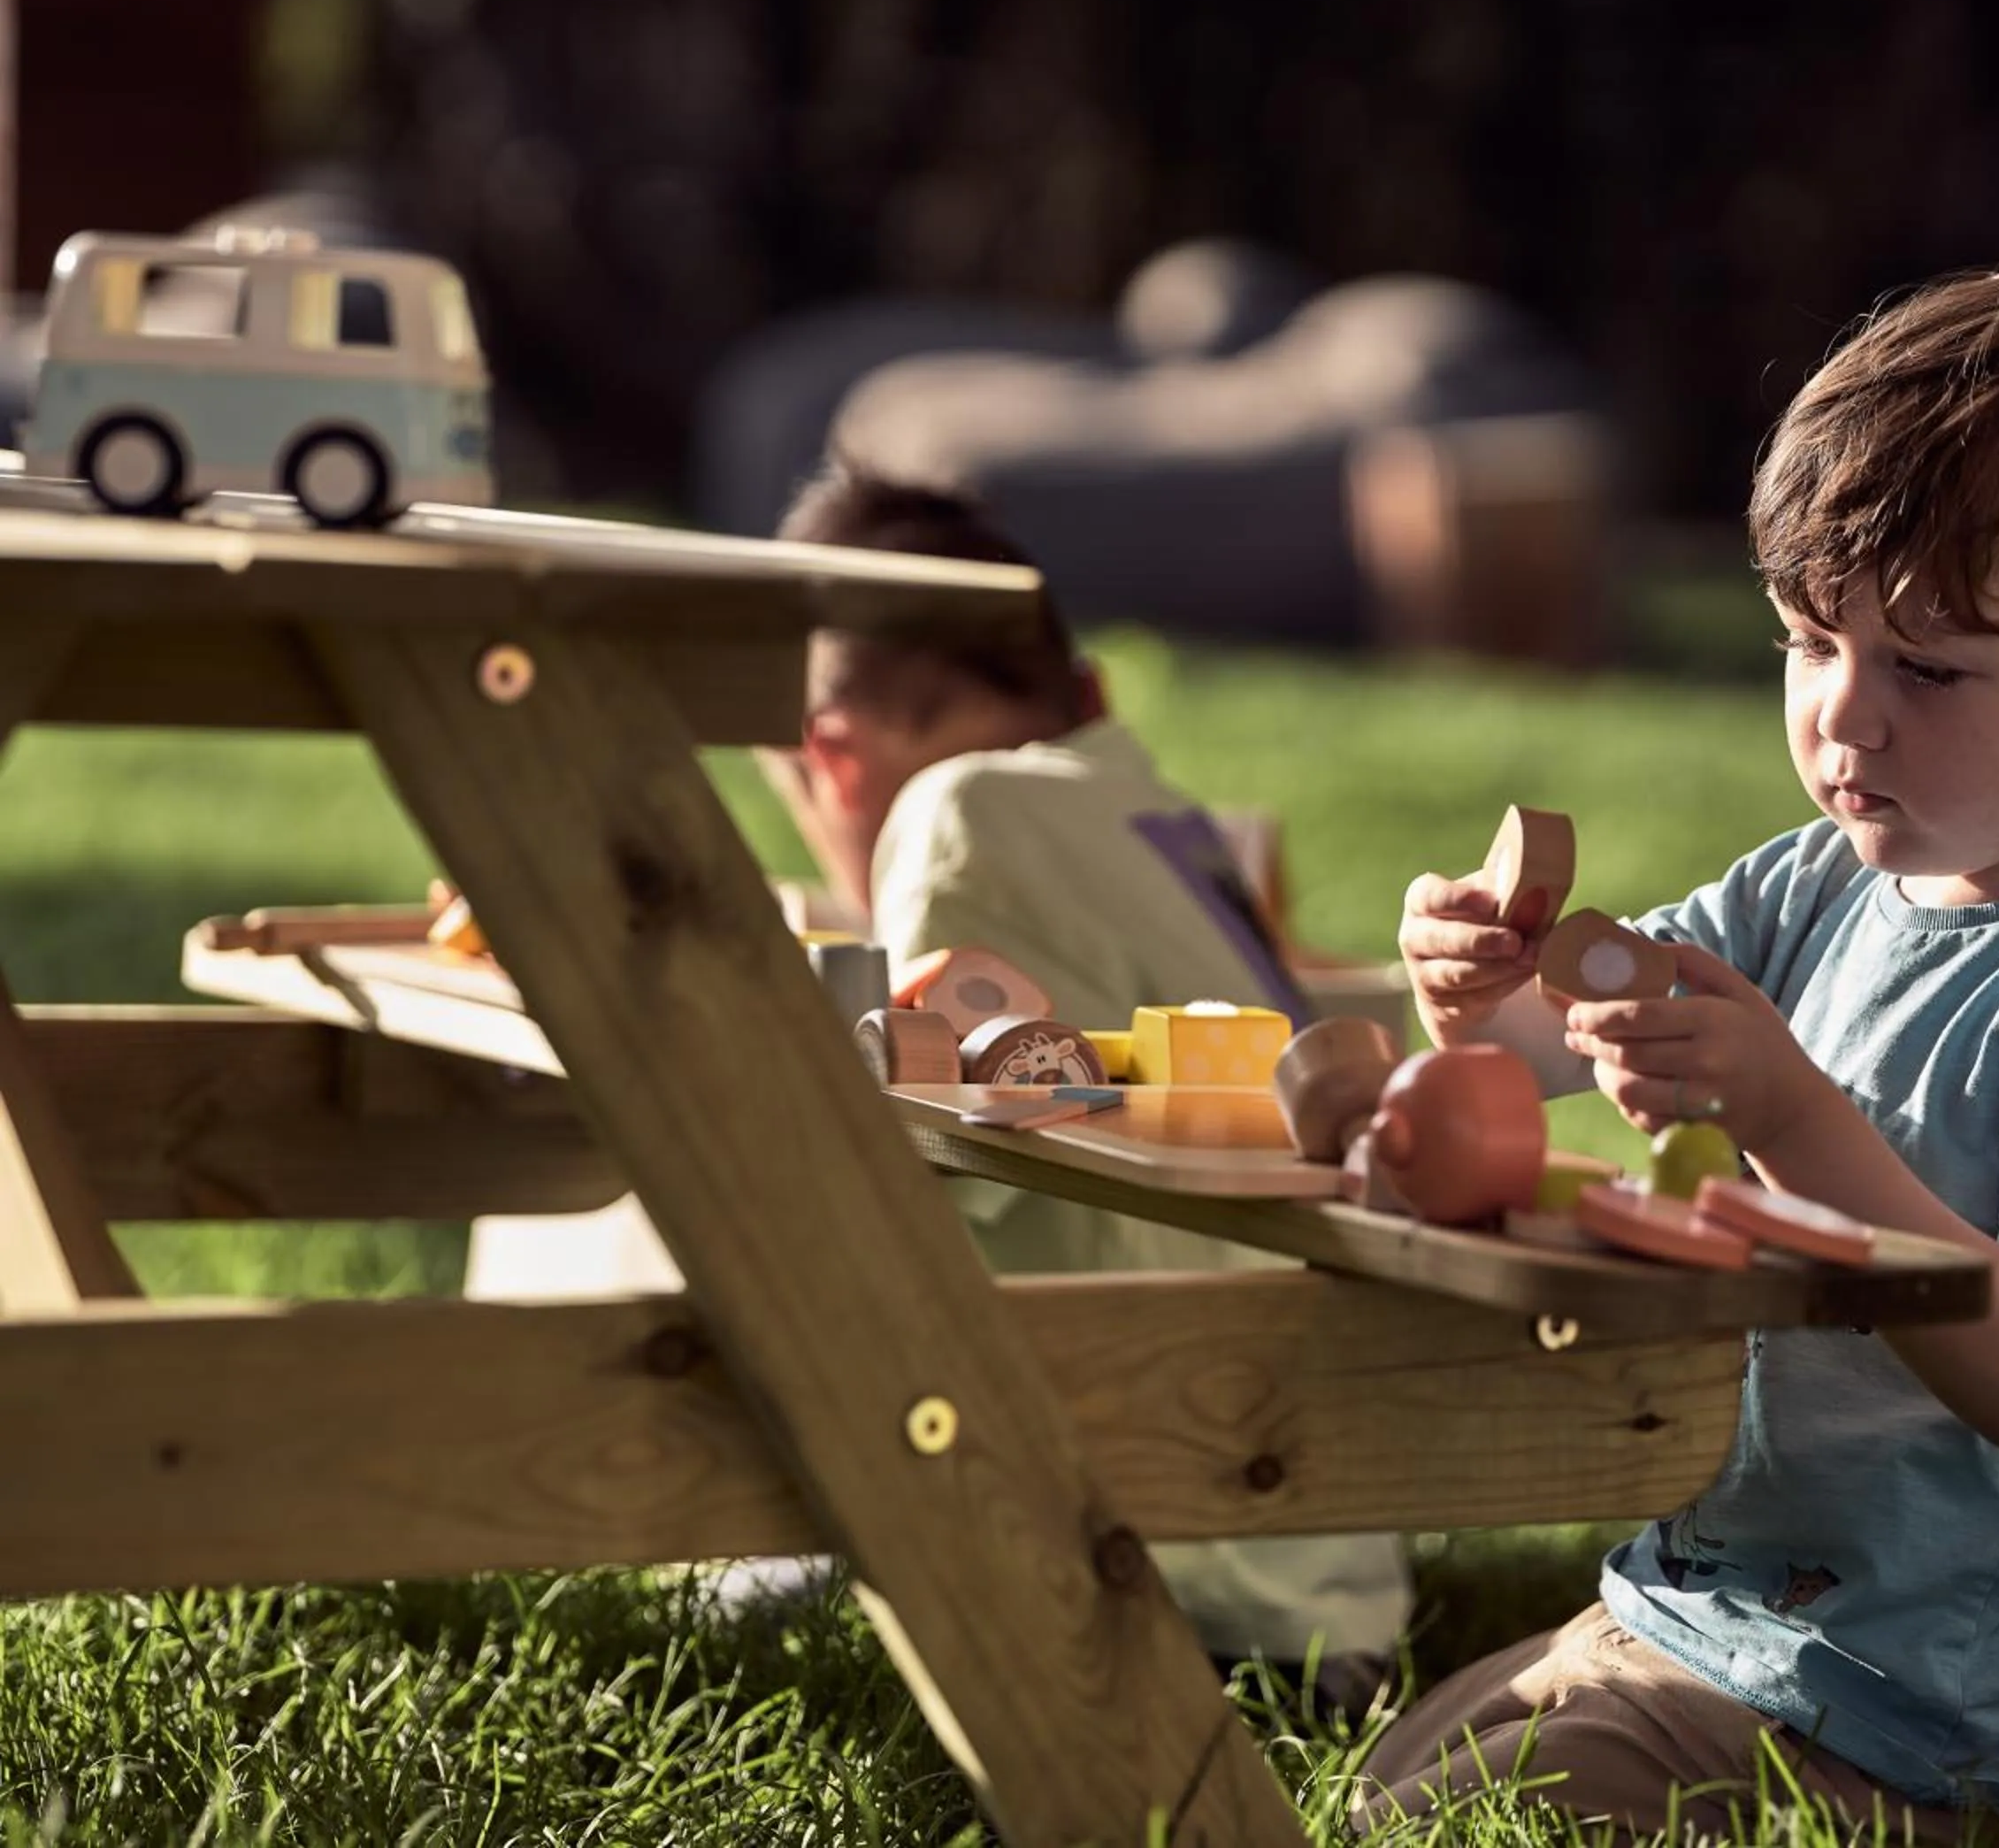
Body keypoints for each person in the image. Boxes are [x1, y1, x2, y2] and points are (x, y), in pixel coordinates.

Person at [1359, 266, 1999, 1840]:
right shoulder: (1810, 884)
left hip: (1914, 1718)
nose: (1847, 721)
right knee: (1380, 1793)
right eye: (1807, 641)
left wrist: (1792, 1114)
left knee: (1443, 1830)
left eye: (1927, 667)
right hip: (1700, 1614)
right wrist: (1473, 980)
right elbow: (1557, 1035)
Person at [468, 467, 1413, 1699]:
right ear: (1083, 691)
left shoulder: (958, 812)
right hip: (1318, 1579)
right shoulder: (1149, 818)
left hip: (1172, 1601)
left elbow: (894, 1185)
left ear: (833, 759)